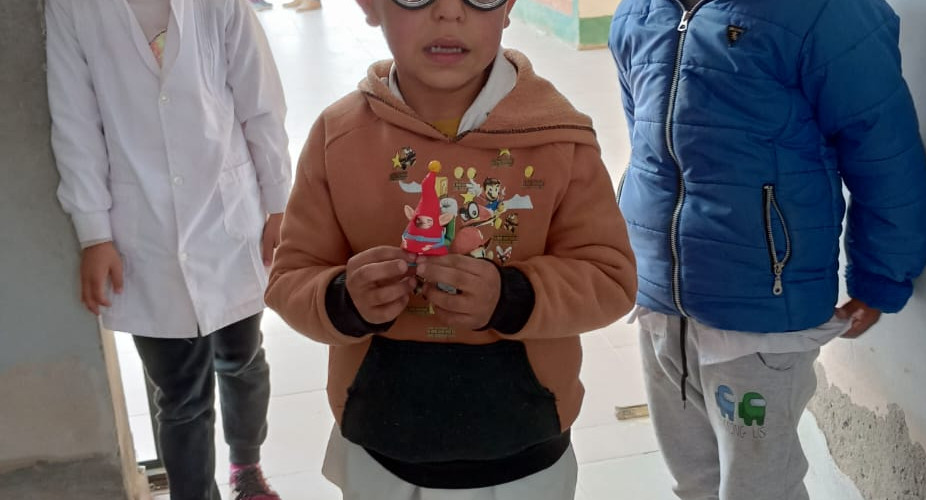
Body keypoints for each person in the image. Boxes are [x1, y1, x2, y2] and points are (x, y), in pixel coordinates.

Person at [264, 0, 637, 498]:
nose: (448, 12)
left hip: (527, 458)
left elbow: (610, 278)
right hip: (378, 452)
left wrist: (511, 296)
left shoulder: (559, 138)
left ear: (508, 7)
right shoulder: (339, 135)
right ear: (370, 6)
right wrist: (343, 298)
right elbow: (290, 277)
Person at [608, 0, 926, 498]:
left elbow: (886, 155)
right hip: (659, 300)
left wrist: (880, 277)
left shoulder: (826, 13)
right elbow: (648, 143)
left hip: (762, 303)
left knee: (759, 488)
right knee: (692, 481)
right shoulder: (638, 12)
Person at [46, 0, 291, 499]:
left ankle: (246, 466)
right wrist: (94, 233)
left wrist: (279, 205)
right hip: (144, 232)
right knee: (180, 395)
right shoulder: (72, 8)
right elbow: (74, 123)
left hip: (227, 217)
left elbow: (260, 100)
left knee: (242, 359)